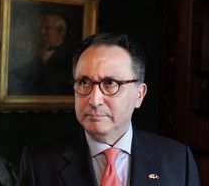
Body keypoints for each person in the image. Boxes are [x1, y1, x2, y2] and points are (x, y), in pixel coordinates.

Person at [16, 33, 200, 185]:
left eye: (110, 83)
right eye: (84, 82)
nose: (94, 100)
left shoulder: (178, 159)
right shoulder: (39, 163)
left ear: (139, 94)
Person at [35, 14, 75, 95]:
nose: (42, 32)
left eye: (47, 28)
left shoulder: (70, 55)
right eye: (41, 27)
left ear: (60, 31)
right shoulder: (39, 52)